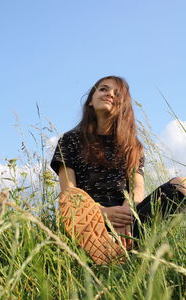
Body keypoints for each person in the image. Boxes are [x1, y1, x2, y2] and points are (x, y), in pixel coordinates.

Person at [51, 75, 186, 264]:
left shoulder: (133, 145)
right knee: (75, 202)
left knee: (182, 185)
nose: (109, 94)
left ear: (123, 106)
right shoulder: (70, 140)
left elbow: (137, 188)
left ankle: (120, 249)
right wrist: (103, 213)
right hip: (88, 219)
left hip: (128, 219)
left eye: (117, 93)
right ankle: (107, 248)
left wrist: (127, 214)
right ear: (91, 100)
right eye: (103, 89)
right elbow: (69, 193)